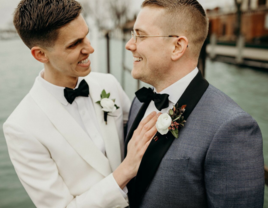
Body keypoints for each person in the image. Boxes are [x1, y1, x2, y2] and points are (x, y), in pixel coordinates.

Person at [3, 0, 159, 207]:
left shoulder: (108, 84)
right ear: (40, 54)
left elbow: (141, 136)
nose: (90, 48)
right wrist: (125, 171)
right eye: (74, 44)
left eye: (86, 36)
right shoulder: (21, 127)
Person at [125, 0, 265, 207]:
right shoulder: (139, 101)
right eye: (132, 34)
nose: (130, 44)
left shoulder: (232, 127)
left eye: (141, 35)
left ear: (177, 47)